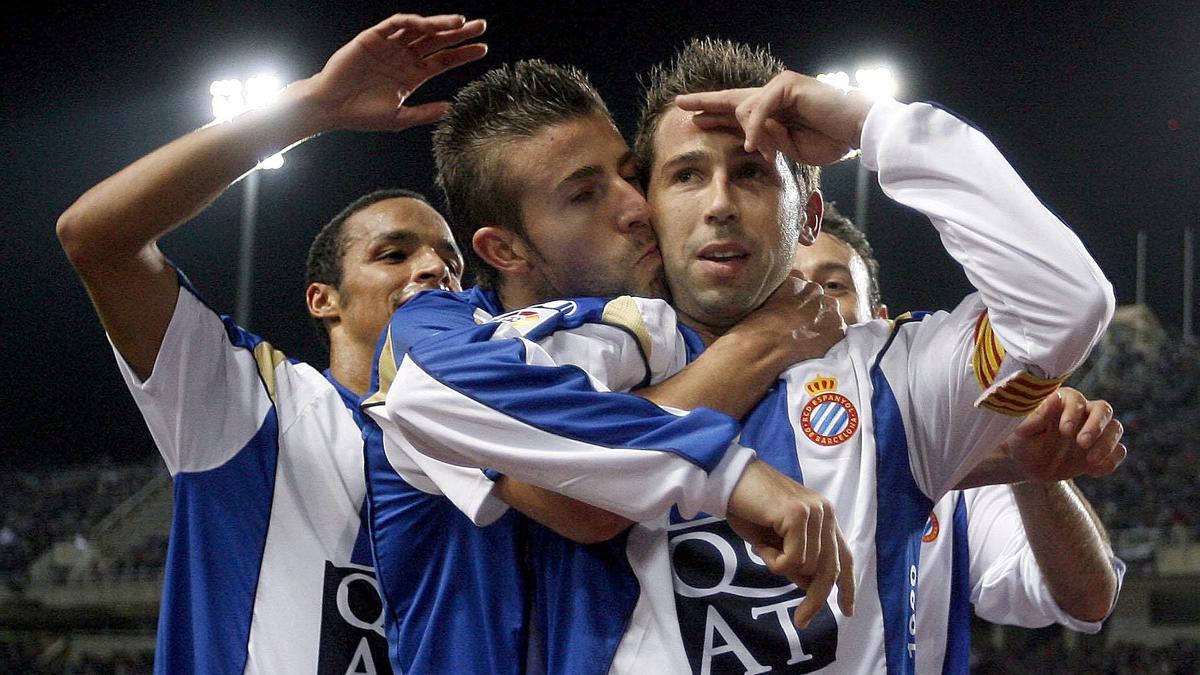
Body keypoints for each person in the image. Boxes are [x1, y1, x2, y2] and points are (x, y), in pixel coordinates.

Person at [375, 38, 1115, 672]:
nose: (720, 202)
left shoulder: (898, 377)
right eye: (686, 175)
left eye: (753, 172)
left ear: (809, 213)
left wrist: (870, 126)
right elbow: (436, 396)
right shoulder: (573, 352)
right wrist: (733, 467)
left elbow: (1066, 303)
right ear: (651, 209)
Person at [360, 58, 854, 675]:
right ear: (504, 249)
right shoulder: (445, 337)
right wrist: (761, 346)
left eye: (629, 175)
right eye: (585, 194)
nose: (636, 207)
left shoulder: (648, 317)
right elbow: (584, 504)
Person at [55, 13, 487, 673]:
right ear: (324, 299)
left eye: (450, 261)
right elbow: (97, 237)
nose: (433, 271)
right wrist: (312, 106)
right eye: (393, 254)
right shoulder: (248, 401)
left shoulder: (491, 443)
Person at [795, 205, 1126, 672]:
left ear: (881, 321)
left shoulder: (952, 456)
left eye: (834, 285)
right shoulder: (711, 431)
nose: (812, 298)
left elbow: (1086, 599)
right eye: (790, 284)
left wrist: (1030, 464)